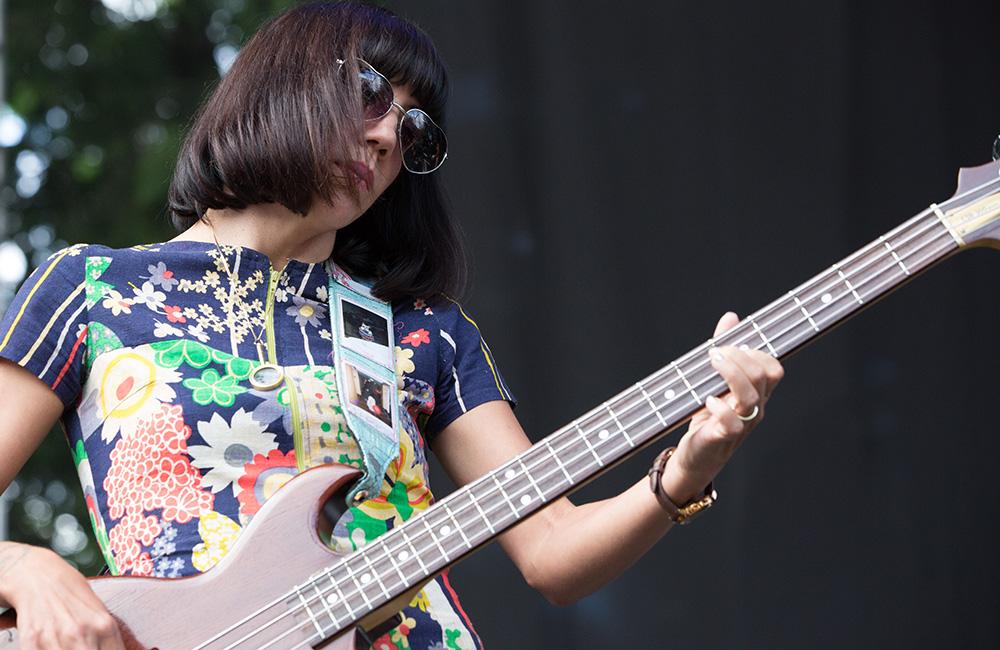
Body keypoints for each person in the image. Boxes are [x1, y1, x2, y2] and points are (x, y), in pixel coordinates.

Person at [0, 2, 784, 649]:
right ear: (283, 76)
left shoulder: (423, 330)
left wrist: (683, 473)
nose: (385, 138)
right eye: (371, 91)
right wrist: (26, 568)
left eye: (414, 132)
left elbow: (552, 552)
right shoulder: (92, 288)